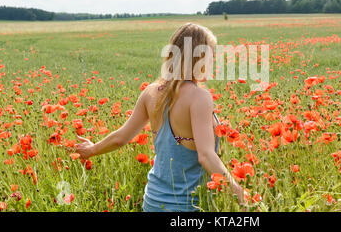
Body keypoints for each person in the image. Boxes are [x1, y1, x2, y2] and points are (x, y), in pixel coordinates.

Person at [74, 23, 245, 212]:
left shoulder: (151, 92)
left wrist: (91, 150)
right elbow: (205, 156)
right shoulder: (199, 98)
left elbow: (121, 137)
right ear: (198, 57)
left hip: (153, 201)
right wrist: (240, 196)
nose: (214, 62)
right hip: (186, 206)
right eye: (211, 55)